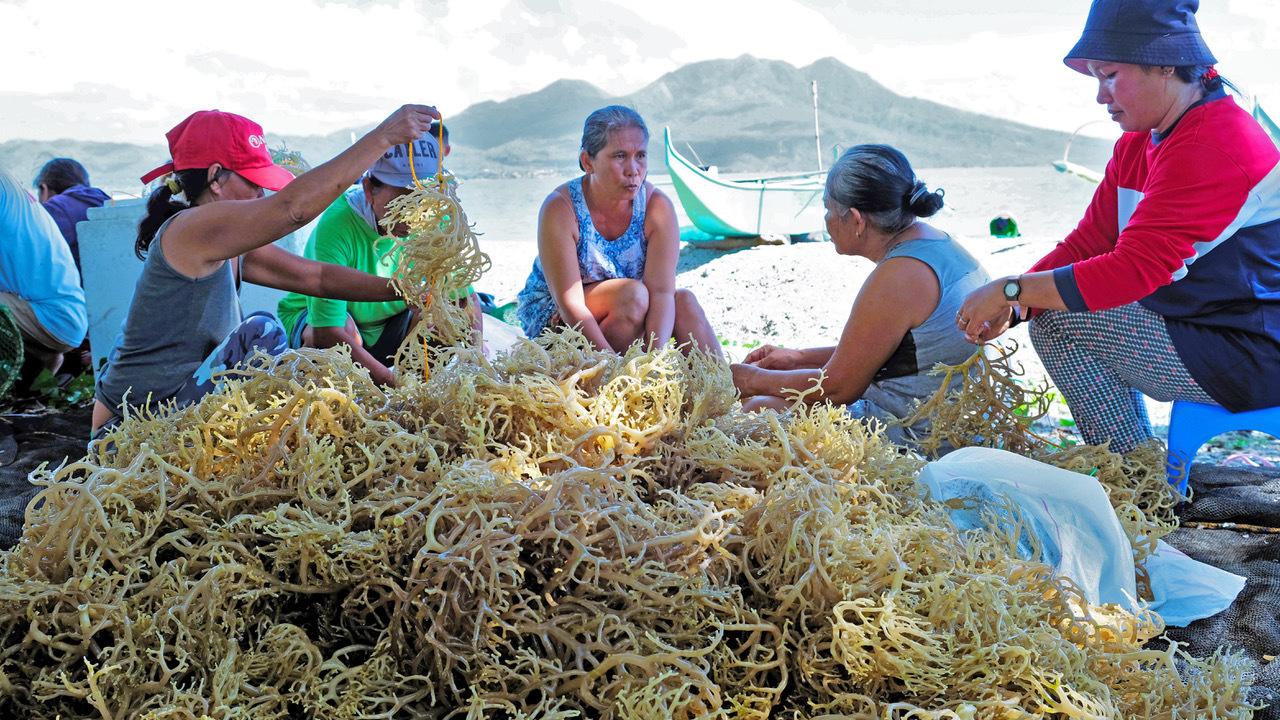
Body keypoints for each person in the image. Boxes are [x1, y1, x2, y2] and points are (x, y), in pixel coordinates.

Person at [956, 0, 1280, 453]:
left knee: (1061, 325)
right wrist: (1017, 306)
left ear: (1165, 63)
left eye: (1109, 75)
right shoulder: (1140, 141)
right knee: (1049, 313)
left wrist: (1012, 289)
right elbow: (1091, 241)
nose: (1100, 95)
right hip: (1199, 324)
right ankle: (1134, 470)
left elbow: (1134, 270)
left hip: (1253, 349)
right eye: (1096, 78)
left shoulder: (1215, 140)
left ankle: (1133, 478)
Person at [92, 105, 439, 434]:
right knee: (263, 332)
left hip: (169, 410)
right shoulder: (190, 228)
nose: (261, 193)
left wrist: (404, 290)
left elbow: (315, 277)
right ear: (215, 178)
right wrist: (383, 137)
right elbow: (291, 210)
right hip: (128, 430)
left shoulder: (226, 245)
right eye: (253, 182)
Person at [731, 145, 989, 448]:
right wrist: (796, 358)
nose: (826, 220)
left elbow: (839, 388)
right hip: (953, 422)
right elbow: (897, 350)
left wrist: (748, 379)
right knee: (773, 398)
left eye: (828, 208)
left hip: (919, 436)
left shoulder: (900, 275)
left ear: (856, 219)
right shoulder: (934, 242)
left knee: (760, 411)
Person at [276, 128, 480, 386]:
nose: (415, 212)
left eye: (423, 198)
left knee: (444, 317)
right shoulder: (338, 224)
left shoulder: (437, 217)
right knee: (338, 339)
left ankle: (420, 391)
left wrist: (476, 364)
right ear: (369, 189)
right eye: (402, 200)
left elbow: (464, 299)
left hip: (392, 323)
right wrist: (393, 386)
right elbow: (328, 331)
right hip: (324, 325)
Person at [516, 105, 720, 356]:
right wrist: (612, 366)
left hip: (631, 310)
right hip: (561, 321)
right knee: (633, 296)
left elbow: (662, 292)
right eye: (620, 156)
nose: (633, 169)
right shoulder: (560, 208)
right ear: (587, 161)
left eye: (641, 155)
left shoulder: (657, 207)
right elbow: (571, 304)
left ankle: (721, 386)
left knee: (684, 302)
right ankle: (614, 377)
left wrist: (654, 360)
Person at [0, 168, 88, 378]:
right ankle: (38, 366)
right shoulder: (8, 183)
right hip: (68, 320)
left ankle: (40, 360)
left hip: (49, 319)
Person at [34, 158, 111, 279]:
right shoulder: (105, 200)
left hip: (75, 291)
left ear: (44, 189)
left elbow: (33, 256)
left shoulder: (55, 209)